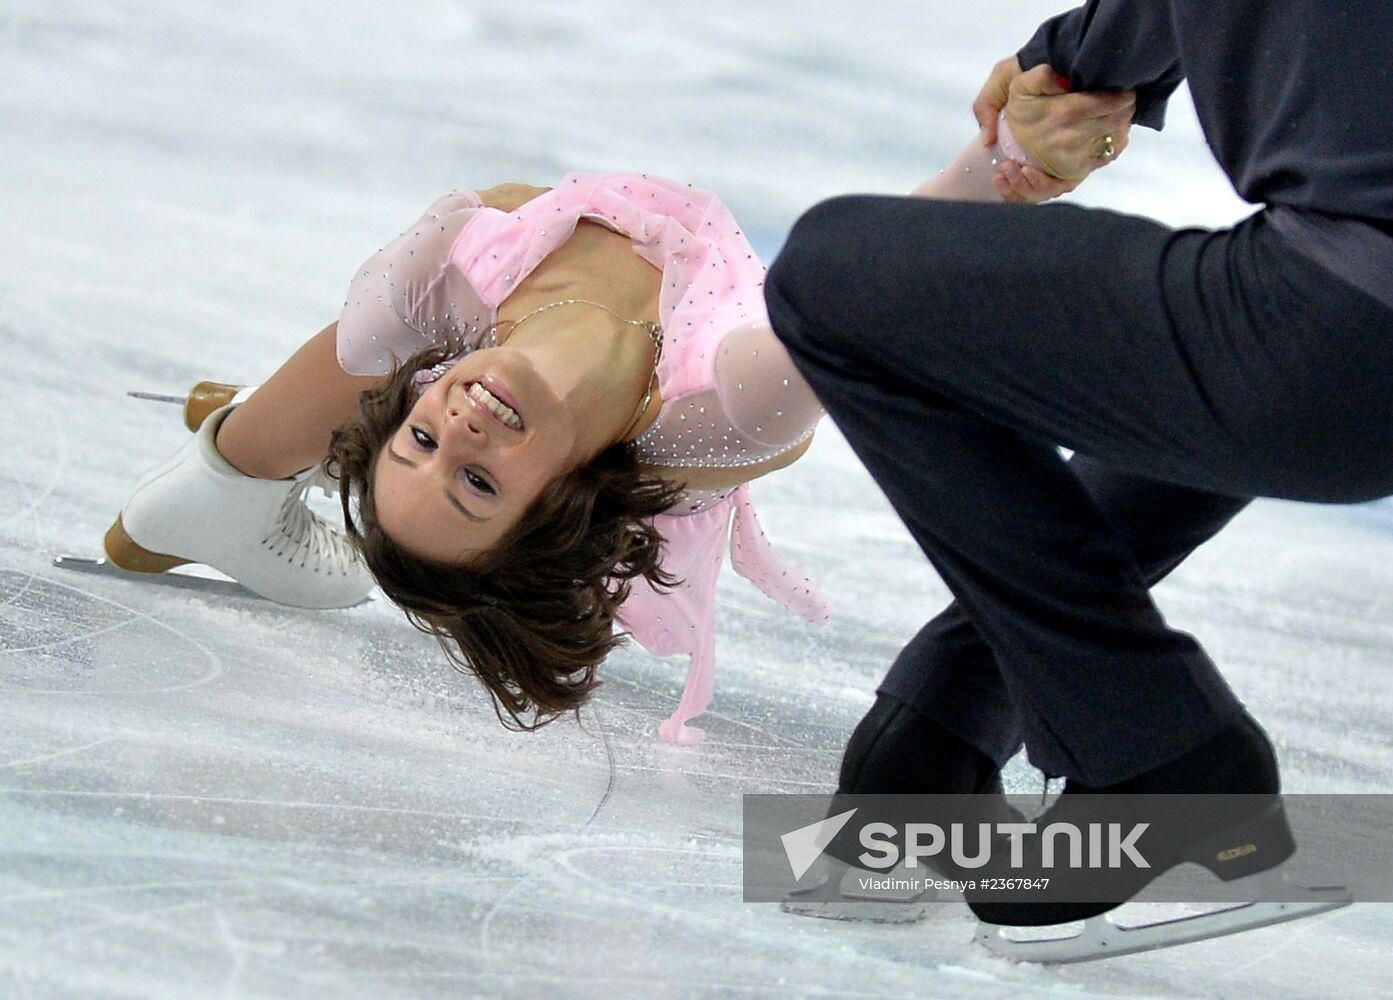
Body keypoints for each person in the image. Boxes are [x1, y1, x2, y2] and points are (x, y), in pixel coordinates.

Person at [105, 96, 1121, 747]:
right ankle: (218, 497)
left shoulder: (445, 296)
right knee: (337, 394)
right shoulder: (729, 402)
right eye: (479, 483)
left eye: (423, 441)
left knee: (343, 375)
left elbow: (415, 390)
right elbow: (868, 284)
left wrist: (384, 440)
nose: (457, 431)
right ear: (557, 503)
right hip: (641, 388)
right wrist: (1002, 159)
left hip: (459, 318)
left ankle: (248, 465)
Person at [764, 0, 1393, 934]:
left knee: (828, 280)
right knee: (1205, 343)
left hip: (1341, 329)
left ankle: (1162, 749)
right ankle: (936, 733)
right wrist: (1086, 57)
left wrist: (1072, 61)